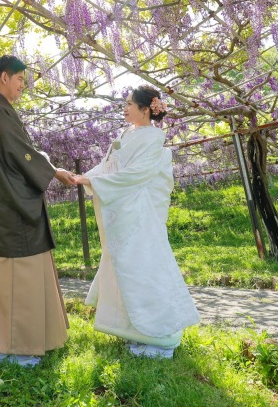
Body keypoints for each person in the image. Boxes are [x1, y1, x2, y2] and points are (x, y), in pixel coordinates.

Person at [73, 86, 200, 358]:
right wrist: (84, 177)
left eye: (130, 103)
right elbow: (109, 167)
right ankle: (138, 332)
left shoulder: (154, 139)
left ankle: (162, 338)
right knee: (128, 271)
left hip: (141, 215)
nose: (125, 107)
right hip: (126, 214)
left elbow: (136, 174)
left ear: (146, 109)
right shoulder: (125, 135)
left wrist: (92, 181)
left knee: (145, 269)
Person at [0, 55, 76, 367]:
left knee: (8, 282)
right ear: (4, 77)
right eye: (20, 79)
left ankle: (5, 344)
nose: (23, 85)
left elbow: (23, 154)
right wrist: (54, 171)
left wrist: (45, 165)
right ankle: (19, 348)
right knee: (18, 279)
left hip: (4, 203)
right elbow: (24, 155)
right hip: (12, 207)